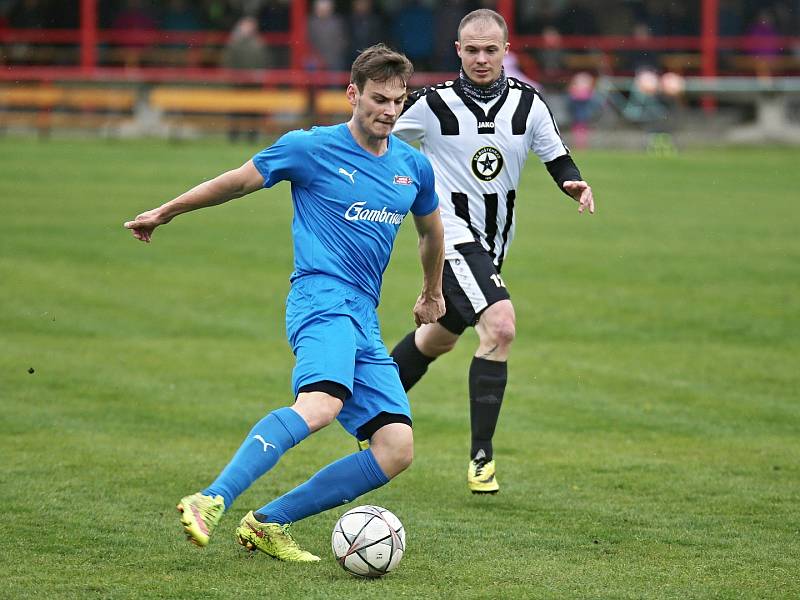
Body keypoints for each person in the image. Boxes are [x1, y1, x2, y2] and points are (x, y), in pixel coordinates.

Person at [123, 44, 445, 561]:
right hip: (320, 299)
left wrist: (432, 292)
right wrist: (167, 210)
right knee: (320, 405)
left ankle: (267, 523)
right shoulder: (310, 148)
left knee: (396, 448)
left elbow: (431, 232)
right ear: (352, 94)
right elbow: (236, 182)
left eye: (398, 101)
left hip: (363, 314)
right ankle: (212, 498)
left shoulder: (412, 166)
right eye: (378, 99)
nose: (389, 111)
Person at [389, 9, 595, 495]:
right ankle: (481, 457)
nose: (481, 58)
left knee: (437, 339)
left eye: (491, 49)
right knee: (500, 325)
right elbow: (373, 134)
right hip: (452, 236)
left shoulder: (529, 104)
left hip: (495, 243)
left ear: (506, 51)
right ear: (458, 51)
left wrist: (572, 183)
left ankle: (365, 407)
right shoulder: (430, 104)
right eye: (472, 50)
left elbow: (555, 154)